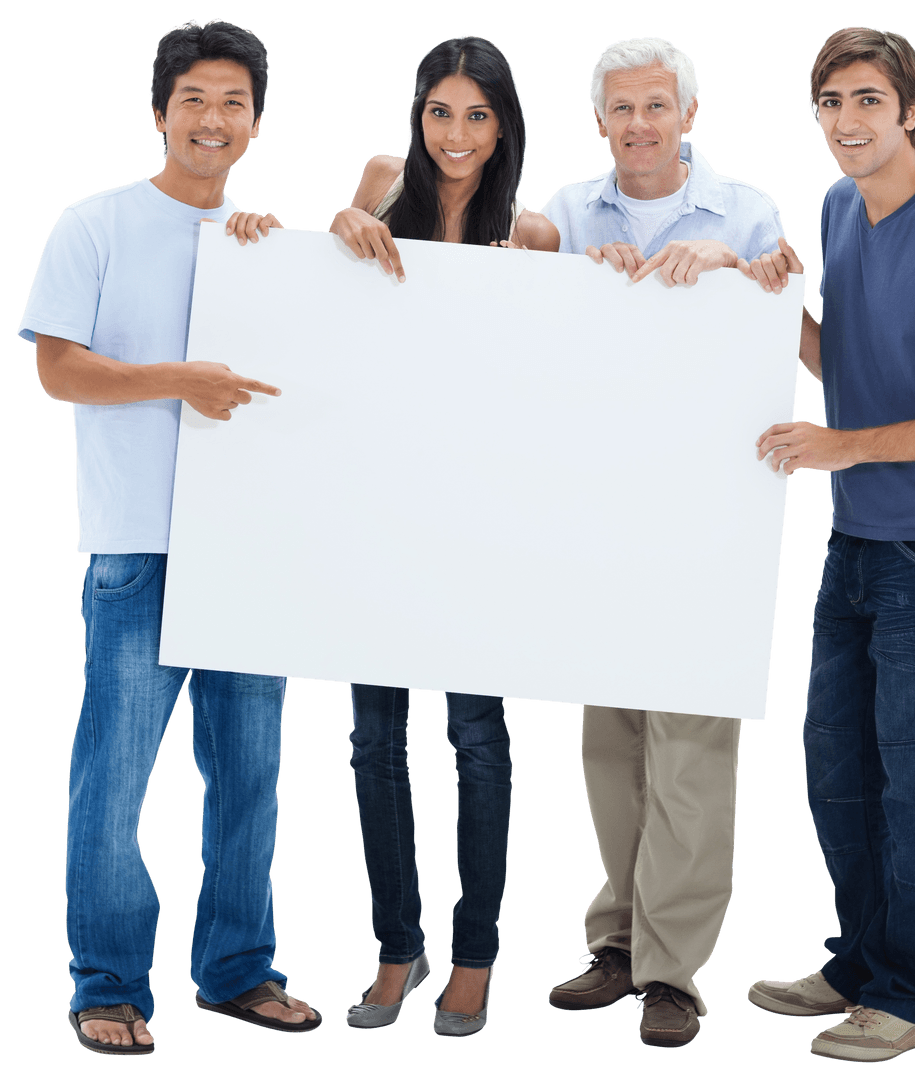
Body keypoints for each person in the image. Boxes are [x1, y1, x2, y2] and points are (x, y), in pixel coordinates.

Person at [17, 19, 321, 1055]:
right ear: (160, 111)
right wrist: (178, 381)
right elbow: (59, 369)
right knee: (112, 782)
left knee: (251, 780)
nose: (212, 117)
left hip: (246, 548)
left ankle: (238, 970)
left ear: (256, 122)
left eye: (233, 101)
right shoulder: (94, 223)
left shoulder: (262, 248)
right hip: (138, 549)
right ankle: (106, 984)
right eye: (194, 97)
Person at [744, 27, 915, 1063]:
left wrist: (842, 447)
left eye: (867, 99)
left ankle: (913, 998)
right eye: (829, 103)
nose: (847, 122)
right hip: (857, 533)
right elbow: (849, 362)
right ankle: (859, 964)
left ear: (910, 106)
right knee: (837, 774)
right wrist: (764, 306)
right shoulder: (838, 207)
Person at [540, 37, 791, 1049]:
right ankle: (618, 940)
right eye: (620, 109)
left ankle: (673, 971)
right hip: (597, 506)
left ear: (688, 113)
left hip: (707, 512)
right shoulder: (565, 212)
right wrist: (578, 284)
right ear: (599, 119)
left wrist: (731, 268)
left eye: (656, 105)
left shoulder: (746, 210)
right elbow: (518, 337)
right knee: (612, 743)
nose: (638, 123)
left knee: (690, 746)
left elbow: (784, 314)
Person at [328, 34, 559, 1039]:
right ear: (416, 116)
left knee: (476, 739)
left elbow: (564, 373)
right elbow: (325, 315)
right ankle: (395, 949)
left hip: (478, 517)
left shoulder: (536, 233)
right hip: (376, 505)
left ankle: (474, 956)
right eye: (439, 113)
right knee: (375, 741)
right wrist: (340, 224)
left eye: (476, 115)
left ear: (503, 122)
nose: (455, 135)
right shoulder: (382, 183)